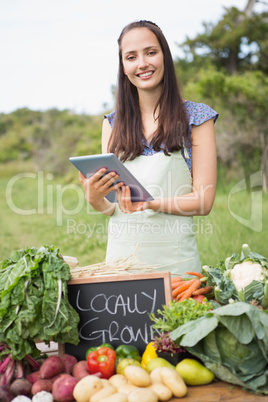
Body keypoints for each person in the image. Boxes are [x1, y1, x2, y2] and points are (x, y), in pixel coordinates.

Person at [79, 20, 218, 275]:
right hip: (121, 269)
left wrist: (150, 204)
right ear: (123, 66)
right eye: (131, 57)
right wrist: (95, 198)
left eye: (150, 52)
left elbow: (203, 201)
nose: (142, 63)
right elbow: (114, 208)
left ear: (165, 55)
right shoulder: (112, 123)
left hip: (177, 271)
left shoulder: (197, 118)